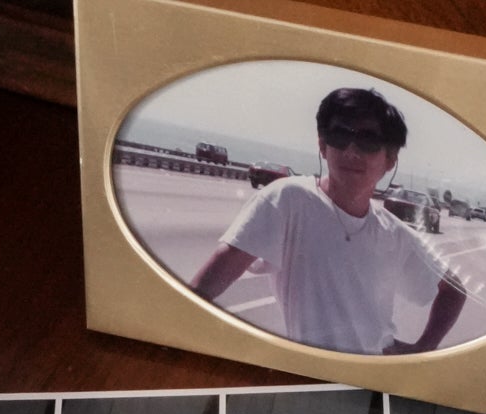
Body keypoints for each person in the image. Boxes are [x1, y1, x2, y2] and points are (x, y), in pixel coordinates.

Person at [190, 87, 466, 356]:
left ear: (390, 159)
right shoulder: (289, 200)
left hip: (374, 380)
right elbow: (203, 289)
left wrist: (423, 348)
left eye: (368, 141)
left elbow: (454, 289)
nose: (351, 151)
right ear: (323, 146)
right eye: (339, 136)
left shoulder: (394, 233)